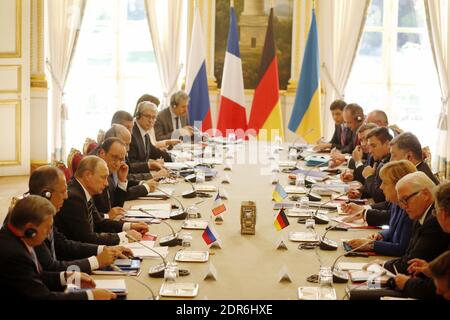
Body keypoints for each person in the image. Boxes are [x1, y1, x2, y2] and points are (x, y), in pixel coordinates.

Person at [0, 196, 116, 300]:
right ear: (31, 230)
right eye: (47, 228)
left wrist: (67, 277)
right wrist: (90, 296)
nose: (49, 233)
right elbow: (43, 297)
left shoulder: (16, 237)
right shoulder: (14, 254)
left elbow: (35, 277)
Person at [27, 166, 132, 274]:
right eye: (62, 192)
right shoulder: (32, 223)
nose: (66, 196)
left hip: (62, 274)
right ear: (46, 195)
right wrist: (96, 262)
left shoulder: (43, 213)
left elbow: (62, 244)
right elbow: (50, 268)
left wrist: (104, 249)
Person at [366, 172, 450, 299]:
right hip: (416, 281)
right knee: (367, 287)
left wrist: (407, 283)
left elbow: (439, 290)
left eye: (405, 199)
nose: (403, 206)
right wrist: (431, 270)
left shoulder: (432, 222)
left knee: (367, 290)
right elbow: (410, 256)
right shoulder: (420, 216)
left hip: (417, 287)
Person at [55, 156, 148, 245]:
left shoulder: (83, 190)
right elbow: (87, 239)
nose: (107, 183)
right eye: (103, 177)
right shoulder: (74, 198)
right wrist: (124, 237)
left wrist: (129, 226)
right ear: (88, 175)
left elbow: (99, 222)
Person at [346, 160, 415, 257]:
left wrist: (371, 245)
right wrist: (381, 235)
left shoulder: (411, 211)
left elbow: (402, 249)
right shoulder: (396, 204)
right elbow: (392, 230)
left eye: (385, 183)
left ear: (399, 185)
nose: (381, 187)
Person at [93, 137, 158, 217]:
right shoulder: (94, 174)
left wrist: (122, 180)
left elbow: (117, 204)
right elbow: (97, 216)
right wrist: (107, 216)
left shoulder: (109, 170)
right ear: (102, 153)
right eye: (114, 157)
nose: (117, 163)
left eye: (121, 159)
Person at [349, 127, 393, 203]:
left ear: (387, 144)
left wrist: (369, 177)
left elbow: (379, 197)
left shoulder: (390, 164)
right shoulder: (381, 160)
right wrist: (360, 192)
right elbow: (373, 185)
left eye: (373, 146)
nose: (370, 150)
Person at [129, 101, 173, 167]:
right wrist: (149, 166)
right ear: (138, 115)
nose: (151, 120)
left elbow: (154, 152)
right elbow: (131, 163)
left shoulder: (145, 133)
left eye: (154, 117)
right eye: (147, 116)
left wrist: (174, 158)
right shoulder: (132, 132)